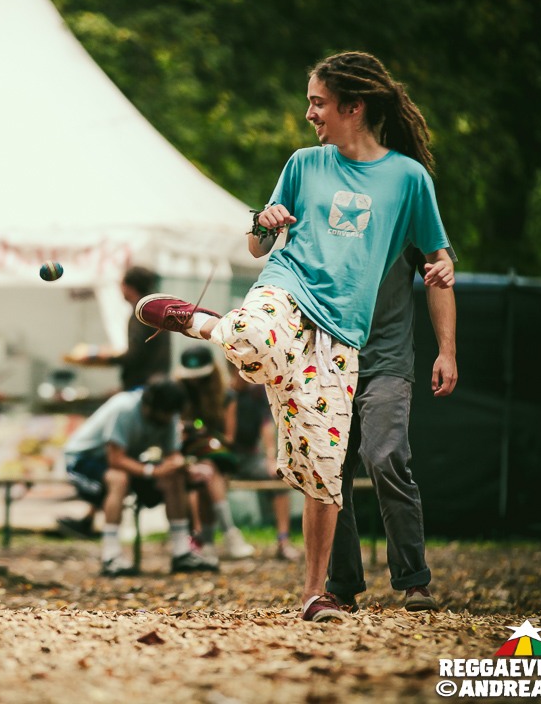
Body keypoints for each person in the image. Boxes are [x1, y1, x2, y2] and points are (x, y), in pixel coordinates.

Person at [134, 51, 454, 621]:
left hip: (344, 335)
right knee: (251, 343)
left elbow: (438, 259)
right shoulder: (305, 164)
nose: (308, 113)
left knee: (325, 465)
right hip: (288, 288)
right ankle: (194, 319)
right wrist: (267, 222)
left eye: (317, 102)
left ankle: (316, 593)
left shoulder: (408, 179)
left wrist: (444, 293)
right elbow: (257, 245)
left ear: (353, 107)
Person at [326, 246, 457, 611]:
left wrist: (447, 351)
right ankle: (341, 585)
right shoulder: (318, 190)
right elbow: (261, 249)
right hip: (328, 358)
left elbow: (440, 273)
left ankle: (414, 580)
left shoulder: (410, 191)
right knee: (330, 472)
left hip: (386, 358)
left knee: (385, 458)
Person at [63, 378, 219, 576]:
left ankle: (182, 552)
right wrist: (151, 472)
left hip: (127, 460)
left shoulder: (170, 414)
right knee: (119, 479)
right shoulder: (125, 408)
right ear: (151, 406)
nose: (168, 419)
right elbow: (115, 459)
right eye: (165, 414)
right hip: (84, 459)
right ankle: (111, 556)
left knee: (174, 477)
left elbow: (173, 455)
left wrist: (186, 467)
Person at [57, 265, 170, 537]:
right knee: (119, 464)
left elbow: (134, 357)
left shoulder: (141, 314)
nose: (119, 289)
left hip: (141, 392)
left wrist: (98, 356)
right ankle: (91, 520)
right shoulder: (155, 310)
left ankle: (99, 523)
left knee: (118, 460)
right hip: (145, 387)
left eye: (122, 284)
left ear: (130, 287)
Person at [174, 346, 256, 560]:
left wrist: (206, 435)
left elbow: (229, 437)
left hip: (218, 456)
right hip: (184, 456)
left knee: (208, 470)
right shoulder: (177, 392)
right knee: (207, 473)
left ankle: (207, 540)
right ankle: (227, 533)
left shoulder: (226, 396)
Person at [224, 363, 302, 561]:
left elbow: (266, 425)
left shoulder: (257, 393)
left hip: (250, 458)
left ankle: (283, 541)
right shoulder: (223, 394)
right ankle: (206, 540)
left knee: (277, 475)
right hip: (225, 458)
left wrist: (270, 457)